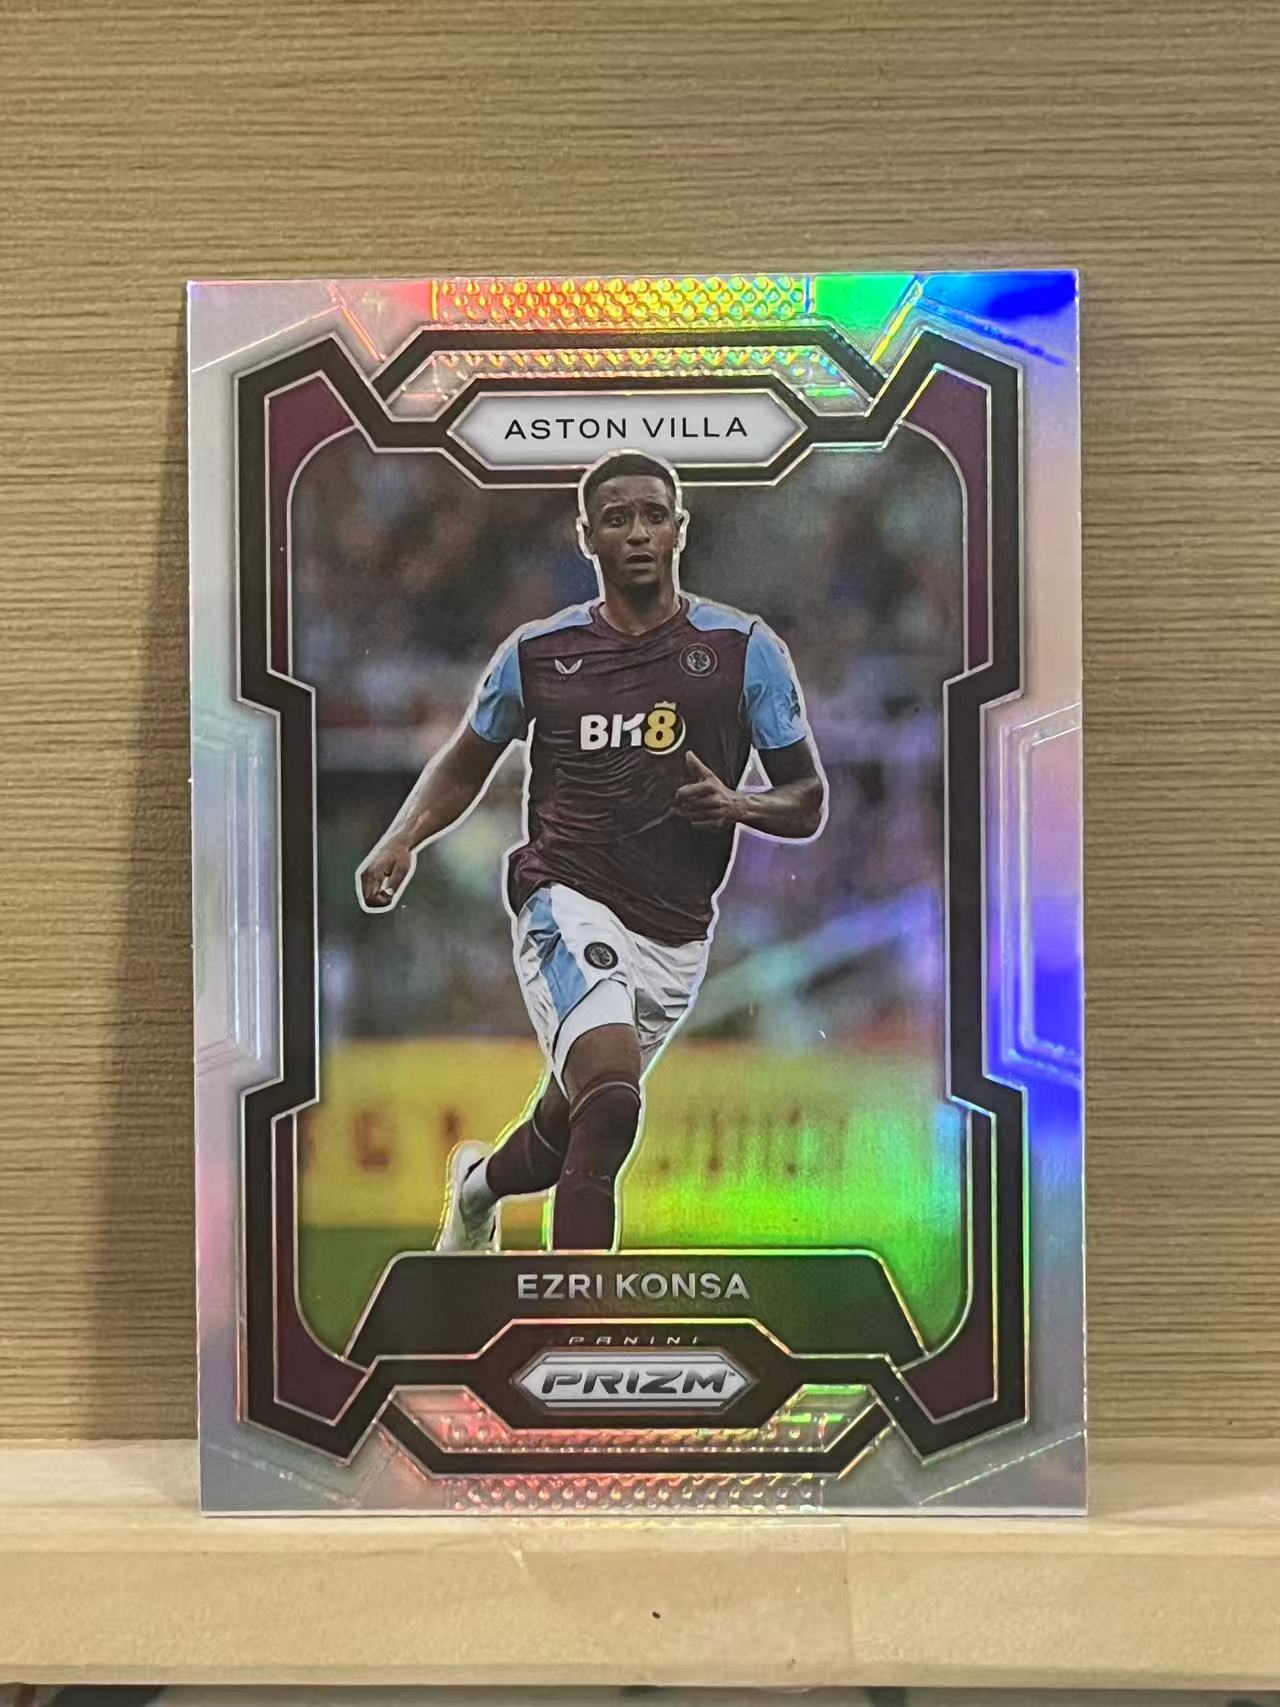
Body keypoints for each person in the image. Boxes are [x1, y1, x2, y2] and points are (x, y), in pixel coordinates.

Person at [358, 451, 826, 1253]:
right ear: (587, 537)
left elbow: (807, 795)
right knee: (609, 1101)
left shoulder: (744, 649)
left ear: (680, 529)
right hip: (566, 897)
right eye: (617, 518)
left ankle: (476, 1191)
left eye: (653, 515)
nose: (637, 532)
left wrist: (738, 803)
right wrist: (403, 837)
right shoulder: (538, 654)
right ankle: (574, 1311)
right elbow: (466, 761)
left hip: (676, 937)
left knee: (570, 1124)